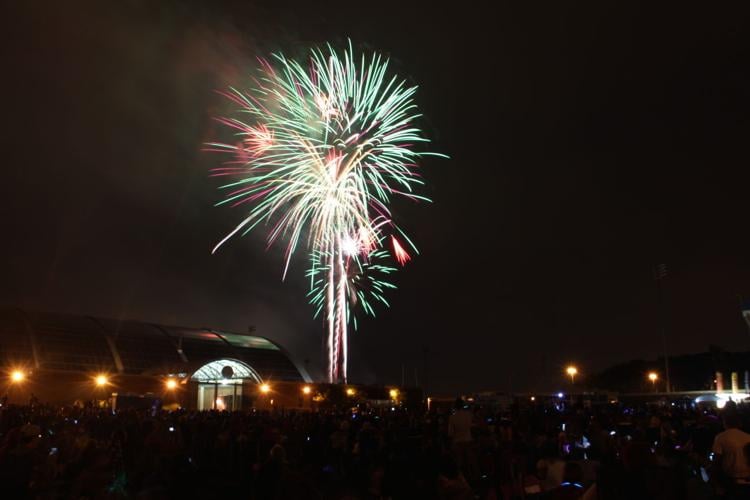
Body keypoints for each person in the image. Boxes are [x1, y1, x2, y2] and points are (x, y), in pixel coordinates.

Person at [712, 411, 750, 499]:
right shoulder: (748, 437)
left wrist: (716, 482)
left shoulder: (721, 437)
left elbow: (717, 460)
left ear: (725, 423)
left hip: (731, 479)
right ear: (739, 423)